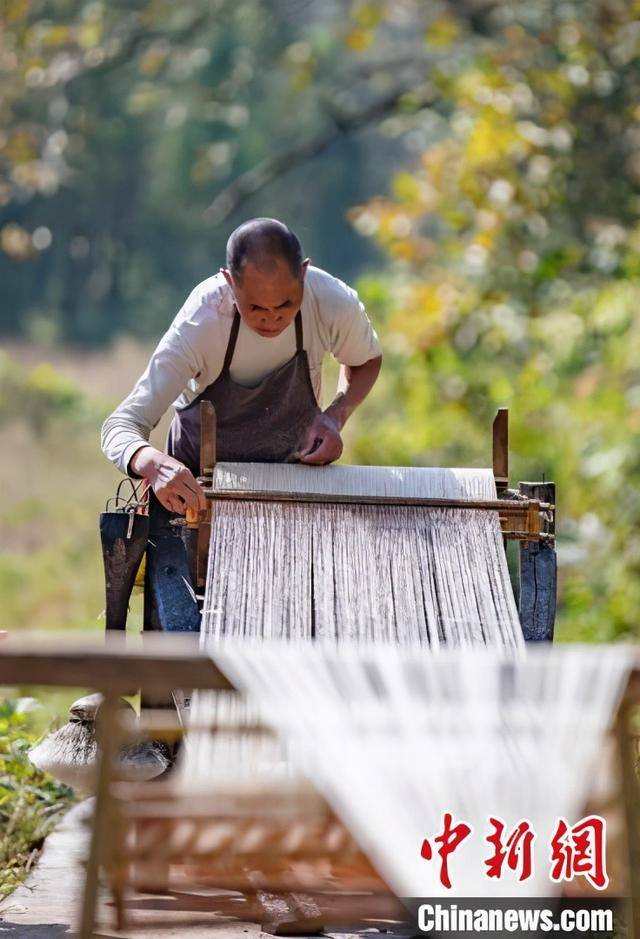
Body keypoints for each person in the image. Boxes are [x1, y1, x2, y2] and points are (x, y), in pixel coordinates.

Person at [101, 218, 382, 516]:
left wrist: (334, 417)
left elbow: (365, 360)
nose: (272, 318)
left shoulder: (331, 301)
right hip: (194, 506)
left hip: (293, 497)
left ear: (304, 273)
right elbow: (120, 425)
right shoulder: (201, 322)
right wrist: (153, 464)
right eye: (256, 308)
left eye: (286, 304)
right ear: (229, 281)